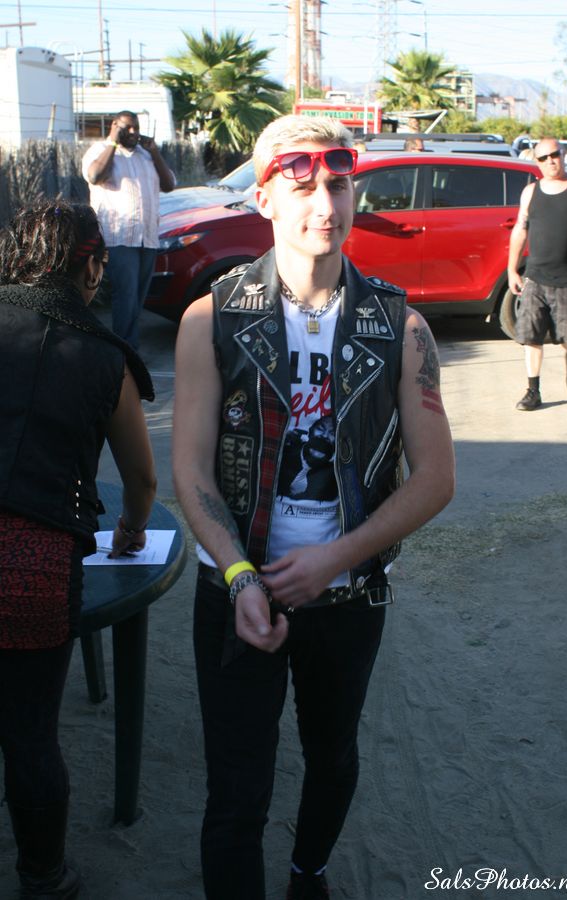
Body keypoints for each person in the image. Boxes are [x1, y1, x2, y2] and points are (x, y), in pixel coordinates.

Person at [172, 114, 455, 900]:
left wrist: (337, 557)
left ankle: (309, 871)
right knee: (236, 789)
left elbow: (435, 478)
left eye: (339, 184)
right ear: (264, 199)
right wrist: (239, 574)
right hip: (236, 590)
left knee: (332, 754)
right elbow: (190, 468)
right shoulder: (212, 319)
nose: (325, 205)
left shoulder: (399, 326)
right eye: (302, 187)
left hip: (348, 595)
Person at [0, 200, 157, 899]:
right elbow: (142, 479)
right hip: (33, 566)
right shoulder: (104, 357)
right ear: (90, 266)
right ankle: (45, 877)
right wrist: (129, 529)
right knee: (30, 736)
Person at [507, 136, 567, 410]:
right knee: (531, 334)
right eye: (543, 158)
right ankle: (532, 390)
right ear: (536, 162)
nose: (550, 161)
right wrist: (511, 269)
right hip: (535, 276)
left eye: (554, 155)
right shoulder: (530, 192)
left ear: (563, 155)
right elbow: (520, 229)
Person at [82, 110, 176, 350]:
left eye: (136, 127)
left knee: (137, 297)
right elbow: (95, 176)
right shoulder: (100, 151)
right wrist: (113, 143)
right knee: (125, 295)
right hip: (119, 237)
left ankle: (125, 347)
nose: (133, 132)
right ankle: (125, 351)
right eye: (127, 128)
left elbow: (169, 185)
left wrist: (154, 152)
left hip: (147, 237)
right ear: (115, 126)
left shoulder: (146, 155)